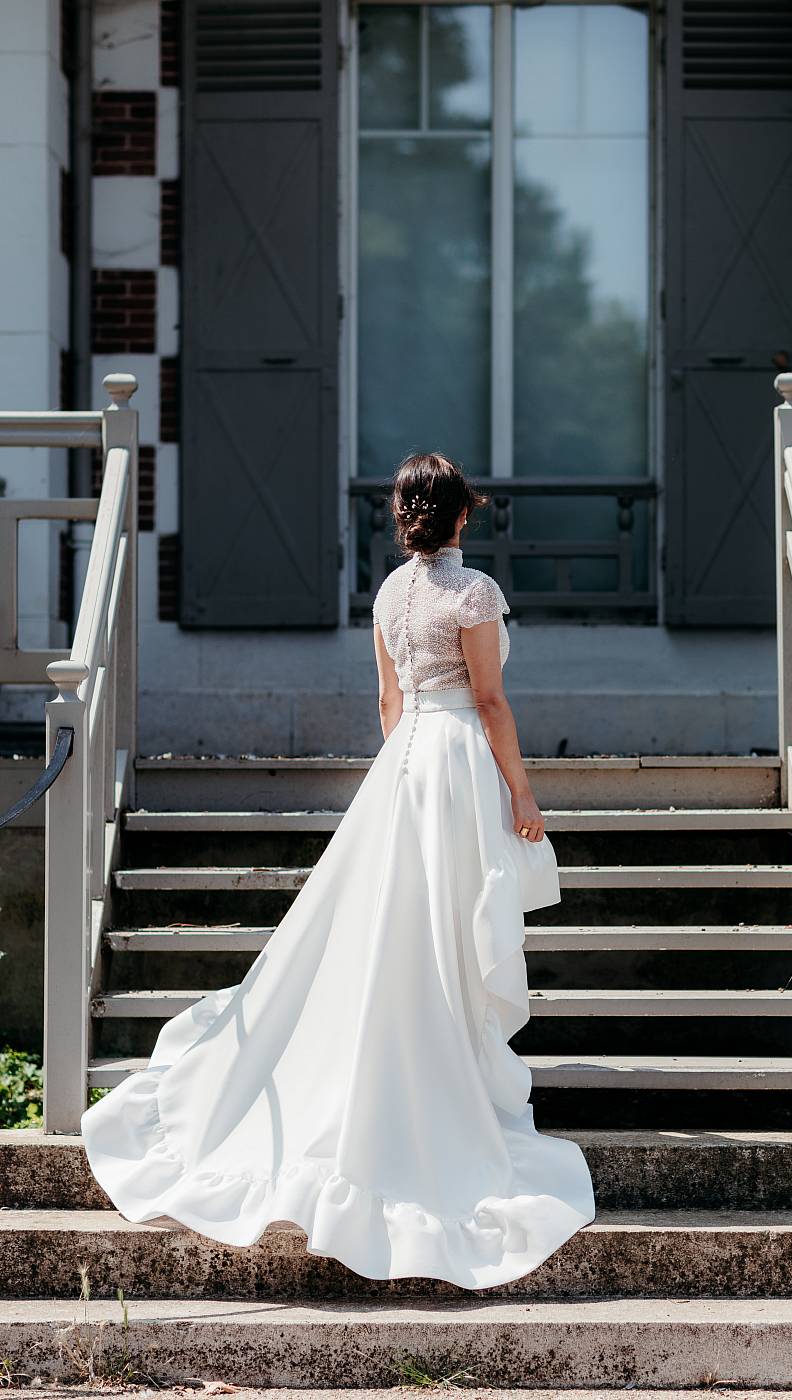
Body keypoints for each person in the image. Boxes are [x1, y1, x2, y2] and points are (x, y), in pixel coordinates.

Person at [81, 451, 595, 1289]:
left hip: (404, 765)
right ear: (461, 516)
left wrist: (402, 767)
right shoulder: (475, 594)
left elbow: (390, 704)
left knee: (395, 923)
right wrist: (524, 792)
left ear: (404, 518)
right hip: (459, 760)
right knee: (447, 922)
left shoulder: (390, 595)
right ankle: (448, 1059)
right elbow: (493, 702)